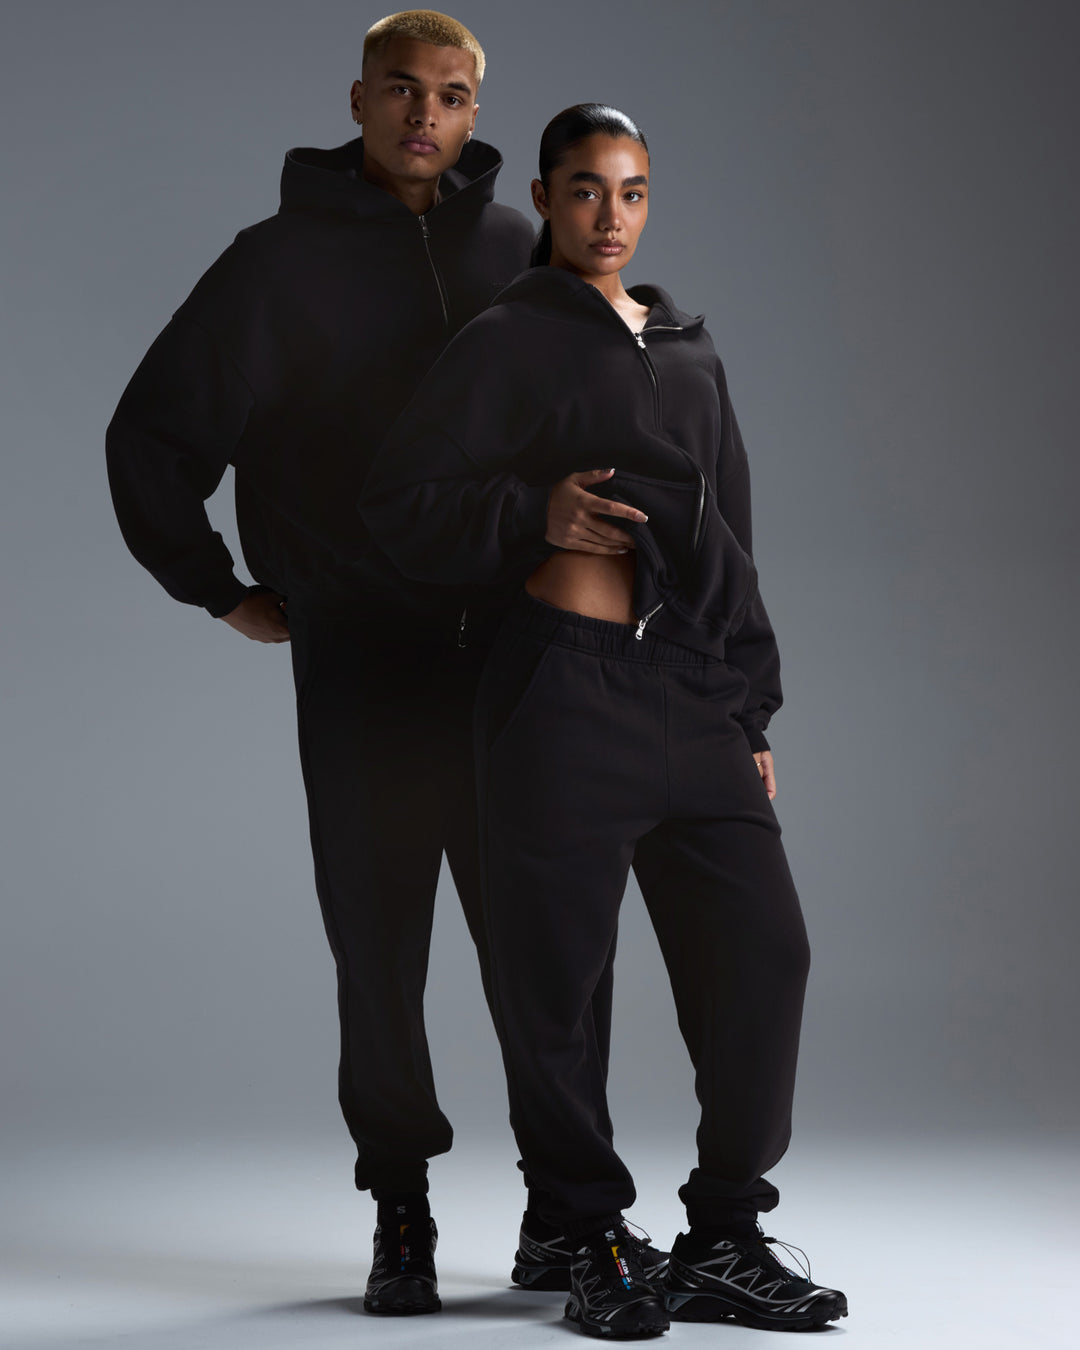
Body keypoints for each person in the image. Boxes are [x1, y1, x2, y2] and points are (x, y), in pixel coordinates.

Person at [105, 12, 659, 1317]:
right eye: (403, 90)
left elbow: (604, 426)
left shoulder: (525, 249)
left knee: (554, 944)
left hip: (521, 653)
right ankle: (400, 1209)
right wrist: (217, 587)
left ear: (476, 113)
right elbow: (152, 433)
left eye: (452, 95)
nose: (425, 115)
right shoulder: (276, 264)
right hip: (364, 653)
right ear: (358, 99)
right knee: (381, 943)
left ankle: (568, 1213)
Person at [359, 103, 849, 1338]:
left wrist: (751, 708)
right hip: (564, 689)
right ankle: (585, 1232)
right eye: (584, 190)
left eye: (631, 192)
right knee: (556, 986)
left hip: (692, 689)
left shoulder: (689, 347)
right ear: (545, 197)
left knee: (766, 956)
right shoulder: (506, 339)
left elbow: (732, 534)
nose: (610, 216)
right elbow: (404, 499)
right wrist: (533, 512)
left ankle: (724, 1234)